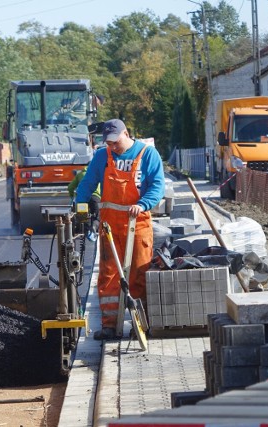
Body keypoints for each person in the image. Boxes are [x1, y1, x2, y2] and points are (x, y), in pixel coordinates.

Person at [75, 119, 165, 340]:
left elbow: (157, 186)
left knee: (139, 273)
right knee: (109, 274)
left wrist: (142, 204)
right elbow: (87, 183)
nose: (113, 147)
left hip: (138, 224)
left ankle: (140, 325)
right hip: (110, 226)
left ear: (126, 133)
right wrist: (80, 207)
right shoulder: (102, 156)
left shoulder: (147, 154)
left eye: (115, 142)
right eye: (109, 143)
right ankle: (109, 325)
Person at [68, 164, 100, 241]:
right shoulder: (98, 173)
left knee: (82, 218)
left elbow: (70, 187)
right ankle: (94, 227)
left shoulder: (80, 174)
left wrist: (72, 196)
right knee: (97, 216)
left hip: (82, 198)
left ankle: (85, 231)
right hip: (95, 197)